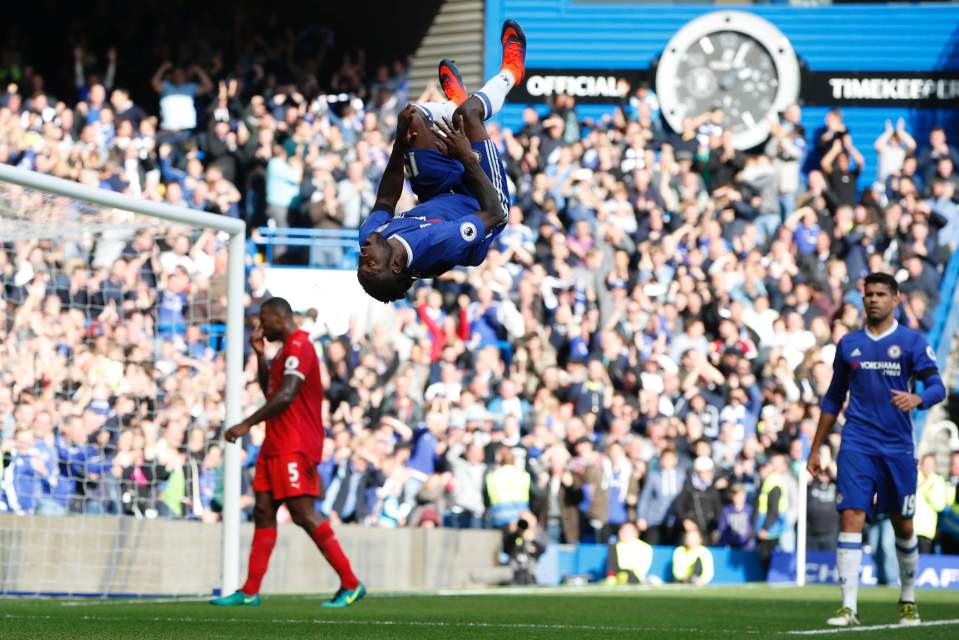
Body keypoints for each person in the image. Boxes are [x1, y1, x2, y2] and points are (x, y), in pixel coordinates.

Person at [807, 271, 945, 627]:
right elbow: (833, 397)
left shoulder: (913, 342)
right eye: (869, 294)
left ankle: (908, 598)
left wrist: (918, 398)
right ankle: (848, 607)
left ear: (895, 298)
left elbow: (937, 387)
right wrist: (816, 447)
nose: (873, 300)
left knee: (903, 522)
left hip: (897, 446)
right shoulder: (849, 344)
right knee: (851, 514)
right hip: (856, 441)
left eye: (881, 294)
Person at [210, 297, 364, 608]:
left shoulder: (300, 346)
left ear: (280, 317)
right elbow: (272, 389)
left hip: (297, 444)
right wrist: (260, 355)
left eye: (264, 321)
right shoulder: (283, 351)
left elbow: (287, 393)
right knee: (264, 511)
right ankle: (250, 590)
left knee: (303, 514)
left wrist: (246, 424)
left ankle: (351, 583)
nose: (261, 327)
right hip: (275, 443)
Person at [356, 20, 526, 302]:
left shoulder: (370, 237)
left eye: (360, 263)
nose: (363, 256)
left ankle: (452, 104)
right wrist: (467, 158)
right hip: (483, 200)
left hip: (439, 193)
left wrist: (399, 143)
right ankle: (512, 71)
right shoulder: (438, 244)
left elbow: (386, 199)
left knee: (411, 118)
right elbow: (495, 214)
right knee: (470, 115)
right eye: (370, 263)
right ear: (396, 264)